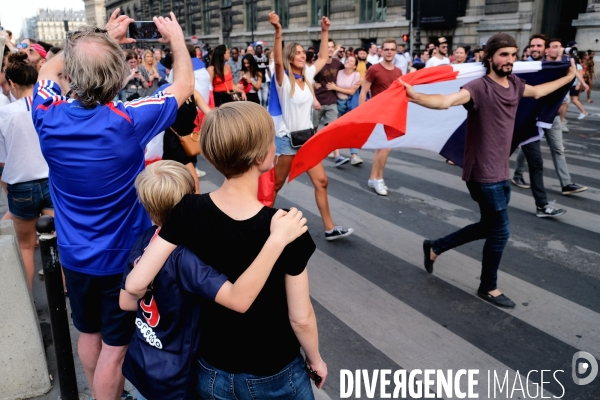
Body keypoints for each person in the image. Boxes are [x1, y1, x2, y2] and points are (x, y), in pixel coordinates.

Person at [32, 10, 195, 399]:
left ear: (73, 75)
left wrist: (98, 37)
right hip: (122, 255)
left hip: (74, 254)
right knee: (116, 347)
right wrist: (175, 39)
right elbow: (184, 84)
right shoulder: (127, 119)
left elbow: (45, 71)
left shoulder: (47, 115)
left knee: (88, 333)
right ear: (117, 77)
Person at [128, 101, 327, 399]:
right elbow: (301, 317)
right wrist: (315, 360)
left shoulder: (187, 210)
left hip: (211, 369)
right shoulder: (285, 227)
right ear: (261, 155)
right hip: (273, 372)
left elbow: (136, 283)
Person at [400, 33, 576, 308]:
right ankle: (488, 286)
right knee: (501, 231)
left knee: (488, 225)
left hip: (500, 170)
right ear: (490, 57)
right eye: (504, 54)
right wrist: (415, 97)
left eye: (513, 55)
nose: (509, 60)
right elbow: (446, 101)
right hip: (483, 172)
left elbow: (540, 92)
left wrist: (569, 76)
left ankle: (436, 246)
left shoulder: (515, 84)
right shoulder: (479, 88)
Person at [270, 12, 354, 241]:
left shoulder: (306, 75)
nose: (301, 55)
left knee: (322, 181)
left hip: (307, 138)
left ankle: (330, 228)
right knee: (275, 185)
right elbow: (277, 61)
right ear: (290, 56)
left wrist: (325, 31)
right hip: (287, 140)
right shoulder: (283, 78)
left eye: (302, 52)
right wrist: (278, 32)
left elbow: (323, 57)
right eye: (296, 52)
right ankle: (257, 226)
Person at [0, 52, 53, 289]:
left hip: (21, 186)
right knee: (57, 242)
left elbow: (2, 163)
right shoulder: (51, 106)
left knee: (25, 246)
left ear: (11, 83)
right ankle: (63, 291)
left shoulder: (5, 114)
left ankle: (28, 304)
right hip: (52, 180)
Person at [512, 35, 587, 198]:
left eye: (540, 45)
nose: (535, 48)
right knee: (528, 146)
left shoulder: (558, 65)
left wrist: (563, 54)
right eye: (533, 45)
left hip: (550, 115)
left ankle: (566, 184)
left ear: (545, 49)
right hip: (531, 115)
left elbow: (571, 71)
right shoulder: (525, 66)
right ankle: (518, 175)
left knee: (558, 149)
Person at [359, 38, 403, 196]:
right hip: (378, 113)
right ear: (381, 51)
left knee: (382, 148)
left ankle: (373, 178)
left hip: (393, 113)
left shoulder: (398, 71)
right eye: (386, 49)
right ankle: (379, 179)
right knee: (386, 147)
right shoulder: (374, 69)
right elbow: (363, 92)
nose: (389, 52)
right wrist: (362, 114)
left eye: (392, 49)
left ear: (396, 51)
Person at [313, 39, 346, 166]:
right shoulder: (317, 64)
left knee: (332, 129)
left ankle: (337, 156)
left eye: (332, 47)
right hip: (318, 101)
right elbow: (305, 77)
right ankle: (312, 149)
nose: (331, 49)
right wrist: (313, 83)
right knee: (313, 128)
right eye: (328, 47)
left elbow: (346, 73)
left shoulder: (337, 63)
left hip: (332, 100)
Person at [326, 55, 363, 165]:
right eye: (347, 59)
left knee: (352, 129)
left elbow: (351, 92)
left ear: (355, 66)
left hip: (350, 103)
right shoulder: (339, 72)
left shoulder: (357, 75)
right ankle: (337, 155)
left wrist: (335, 88)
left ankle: (354, 156)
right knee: (336, 129)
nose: (348, 61)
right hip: (338, 102)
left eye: (351, 61)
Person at [570, 50, 588, 119]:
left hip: (575, 84)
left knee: (574, 99)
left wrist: (579, 84)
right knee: (571, 100)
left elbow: (580, 76)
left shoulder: (578, 66)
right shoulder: (574, 65)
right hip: (571, 84)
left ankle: (584, 111)